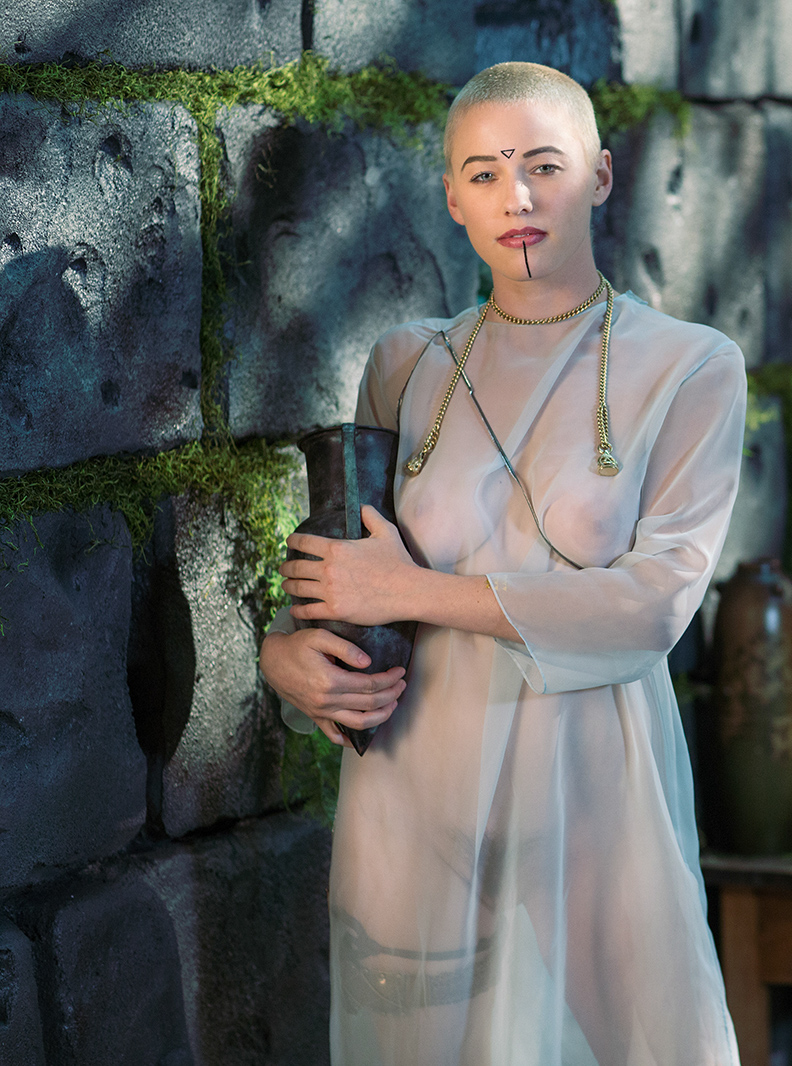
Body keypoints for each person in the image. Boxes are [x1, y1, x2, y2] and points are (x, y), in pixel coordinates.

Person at [258, 61, 745, 1066]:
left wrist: (416, 591)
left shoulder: (691, 365)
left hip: (594, 787)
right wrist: (286, 658)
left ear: (599, 177)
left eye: (543, 167)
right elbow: (346, 575)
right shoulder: (407, 363)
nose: (515, 198)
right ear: (451, 198)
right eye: (483, 174)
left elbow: (654, 607)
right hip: (413, 779)